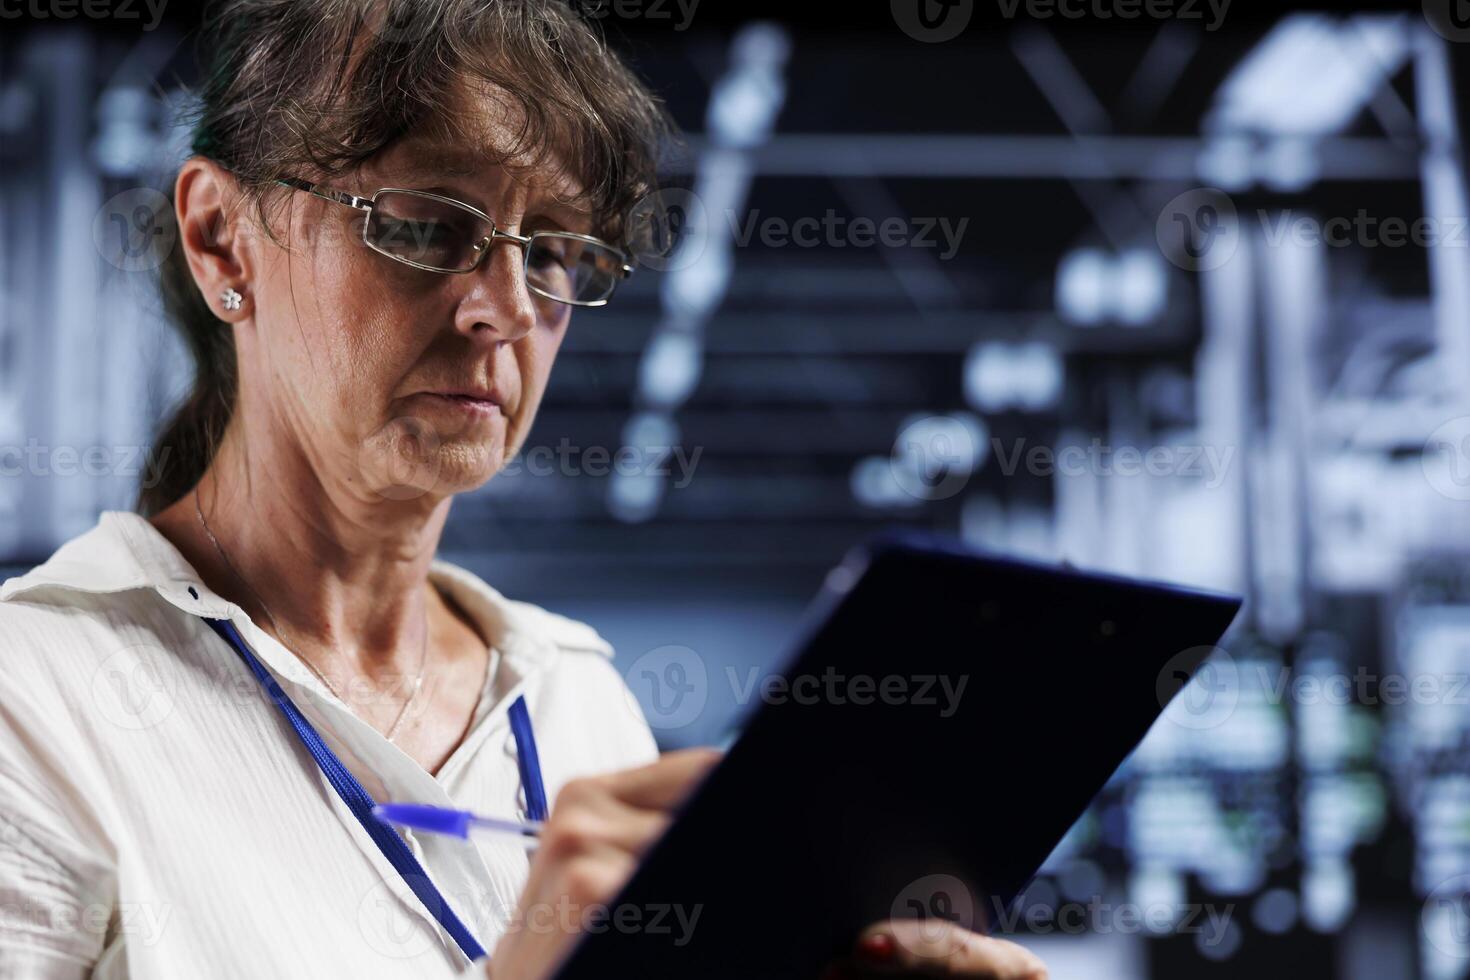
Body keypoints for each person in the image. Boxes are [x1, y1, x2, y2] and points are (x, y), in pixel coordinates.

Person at [0, 1, 1046, 977]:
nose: (503, 307)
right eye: (424, 225)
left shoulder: (570, 693)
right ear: (223, 239)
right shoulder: (36, 698)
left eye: (552, 251)